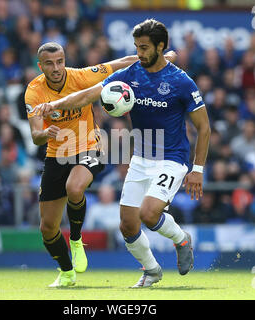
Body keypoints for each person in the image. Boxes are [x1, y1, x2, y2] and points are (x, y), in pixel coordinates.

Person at [34, 19, 210, 287]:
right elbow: (87, 95)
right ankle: (151, 270)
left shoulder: (181, 82)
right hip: (140, 158)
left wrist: (197, 170)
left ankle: (181, 238)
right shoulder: (131, 73)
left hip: (172, 159)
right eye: (137, 47)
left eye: (144, 47)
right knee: (127, 225)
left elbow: (204, 128)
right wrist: (54, 105)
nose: (139, 53)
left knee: (149, 214)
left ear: (160, 46)